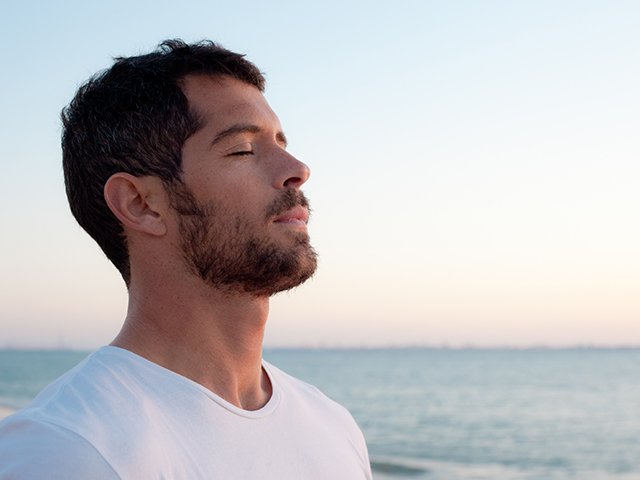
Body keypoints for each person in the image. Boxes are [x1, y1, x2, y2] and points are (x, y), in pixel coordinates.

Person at [0, 39, 372, 479]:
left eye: (281, 143)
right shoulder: (66, 450)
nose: (297, 168)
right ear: (140, 204)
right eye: (243, 150)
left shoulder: (332, 426)